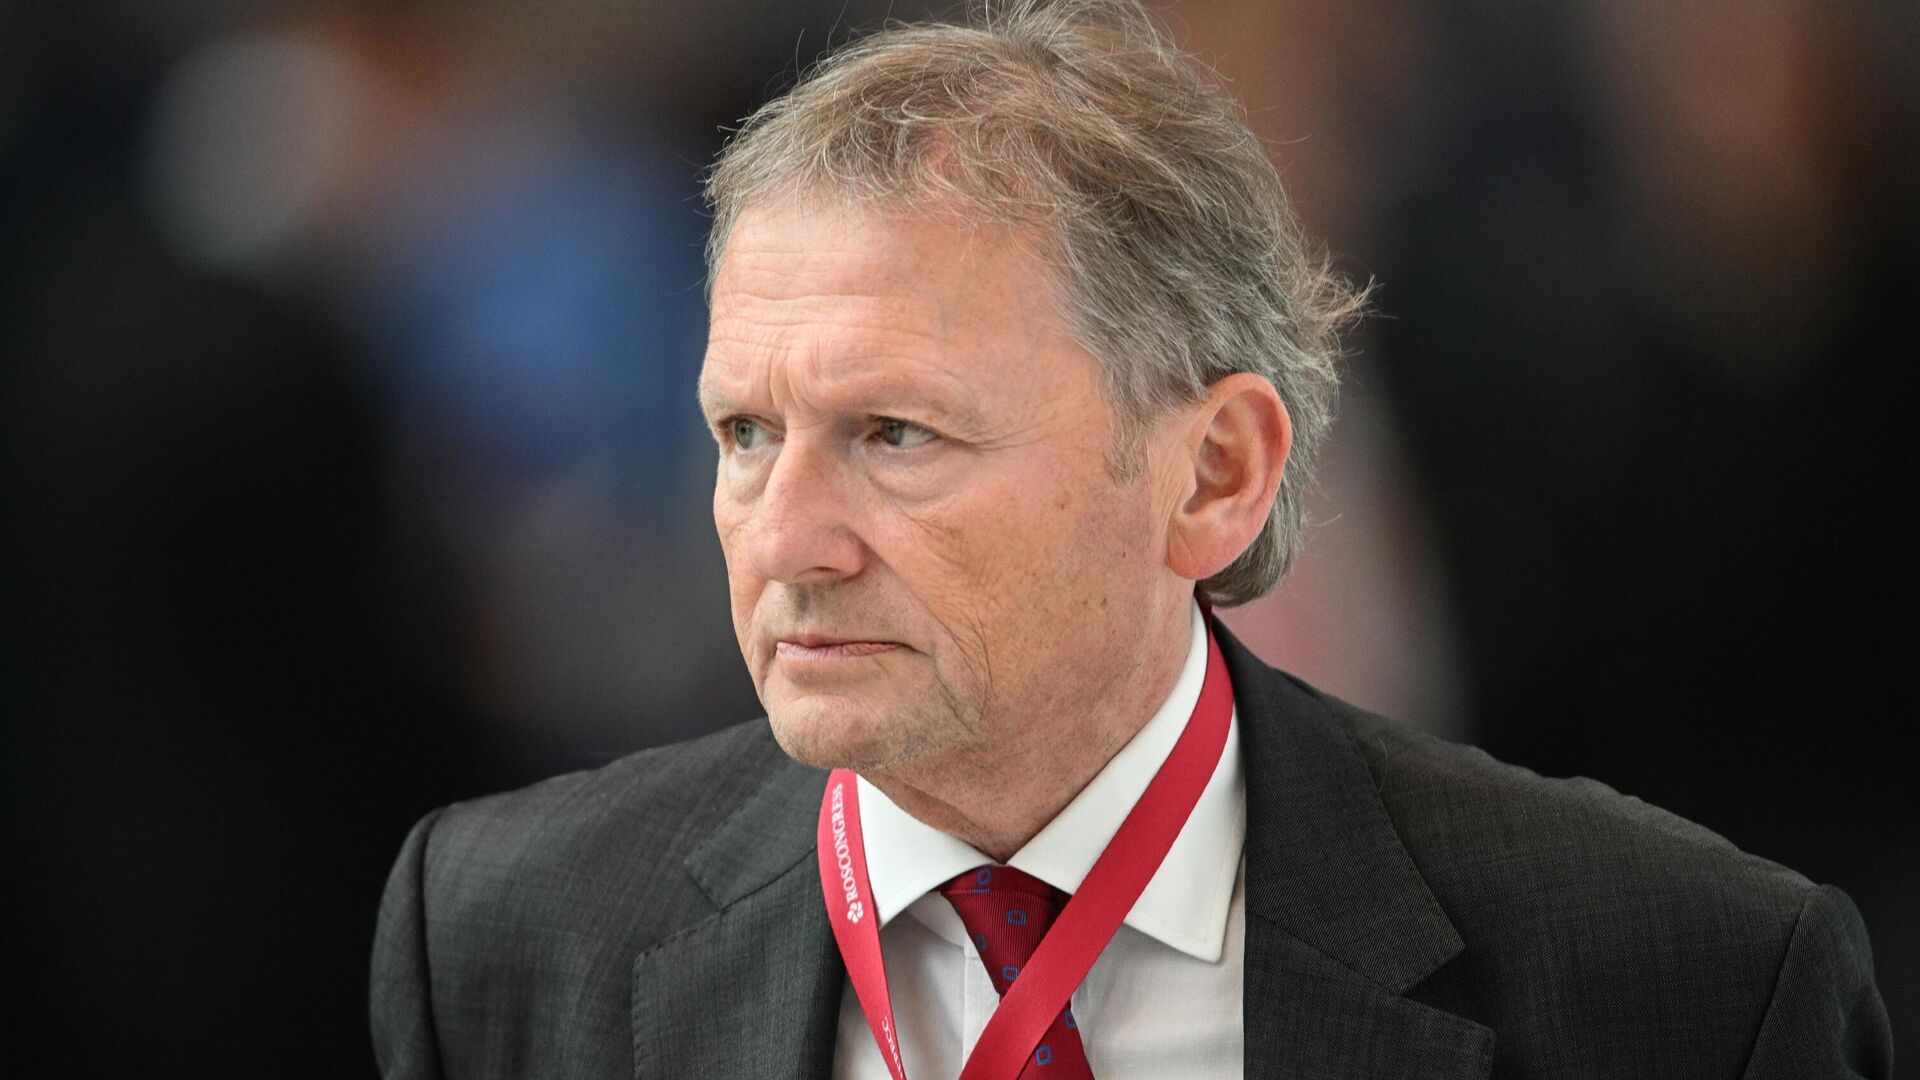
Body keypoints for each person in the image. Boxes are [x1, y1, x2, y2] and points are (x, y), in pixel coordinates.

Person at [369, 2, 1893, 1076]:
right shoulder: (503, 939)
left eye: (897, 435)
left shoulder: (1683, 985)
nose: (790, 541)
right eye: (746, 434)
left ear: (1215, 475)